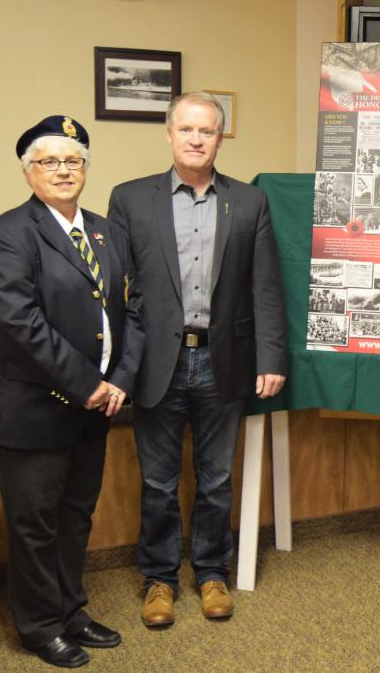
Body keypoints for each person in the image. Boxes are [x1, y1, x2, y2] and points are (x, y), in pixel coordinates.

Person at [108, 92, 287, 627]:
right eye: (185, 129)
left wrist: (271, 356)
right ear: (168, 134)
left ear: (220, 137)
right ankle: (158, 580)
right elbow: (119, 291)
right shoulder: (130, 199)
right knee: (158, 481)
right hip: (155, 362)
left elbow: (267, 287)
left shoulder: (249, 202)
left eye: (206, 131)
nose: (195, 139)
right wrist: (118, 366)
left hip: (223, 361)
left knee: (215, 479)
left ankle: (211, 573)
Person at [0, 116, 144, 667]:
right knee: (35, 524)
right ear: (29, 172)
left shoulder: (107, 231)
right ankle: (39, 625)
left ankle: (71, 610)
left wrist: (120, 378)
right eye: (49, 161)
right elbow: (20, 323)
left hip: (94, 407)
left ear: (86, 169)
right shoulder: (5, 233)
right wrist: (87, 383)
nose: (63, 170)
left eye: (73, 160)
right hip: (33, 409)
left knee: (76, 516)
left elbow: (133, 310)